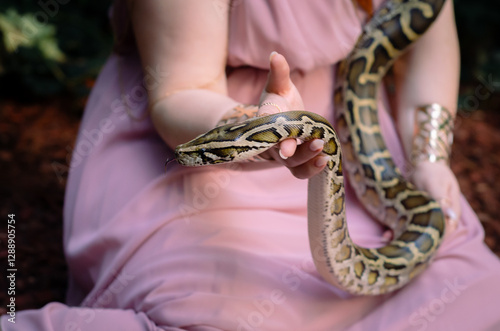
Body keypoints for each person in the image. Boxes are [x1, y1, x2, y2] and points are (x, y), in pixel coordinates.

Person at [2, 0, 500, 330]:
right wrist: (261, 135)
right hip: (198, 132)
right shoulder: (218, 137)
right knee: (223, 311)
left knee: (474, 294)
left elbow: (427, 46)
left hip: (339, 138)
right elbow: (181, 93)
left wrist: (429, 156)